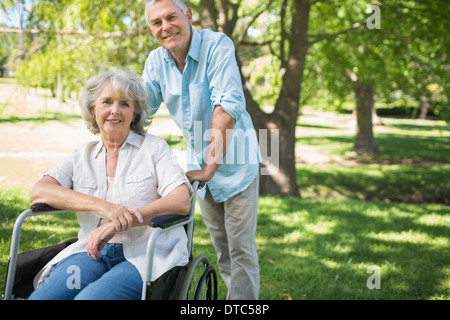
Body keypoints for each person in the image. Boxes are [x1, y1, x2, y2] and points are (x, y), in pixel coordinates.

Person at [27, 70, 192, 300]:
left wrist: (122, 221)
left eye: (124, 103)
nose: (115, 110)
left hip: (144, 256)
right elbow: (40, 191)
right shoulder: (82, 155)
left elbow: (181, 200)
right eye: (107, 102)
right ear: (93, 109)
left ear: (134, 113)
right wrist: (104, 207)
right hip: (92, 253)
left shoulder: (154, 148)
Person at [143, 0, 260, 299]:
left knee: (241, 251)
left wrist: (210, 168)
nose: (165, 27)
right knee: (223, 250)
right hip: (202, 171)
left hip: (235, 165)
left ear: (189, 16)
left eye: (171, 17)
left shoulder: (216, 46)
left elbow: (227, 105)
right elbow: (140, 111)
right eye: (156, 23)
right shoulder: (156, 62)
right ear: (151, 29)